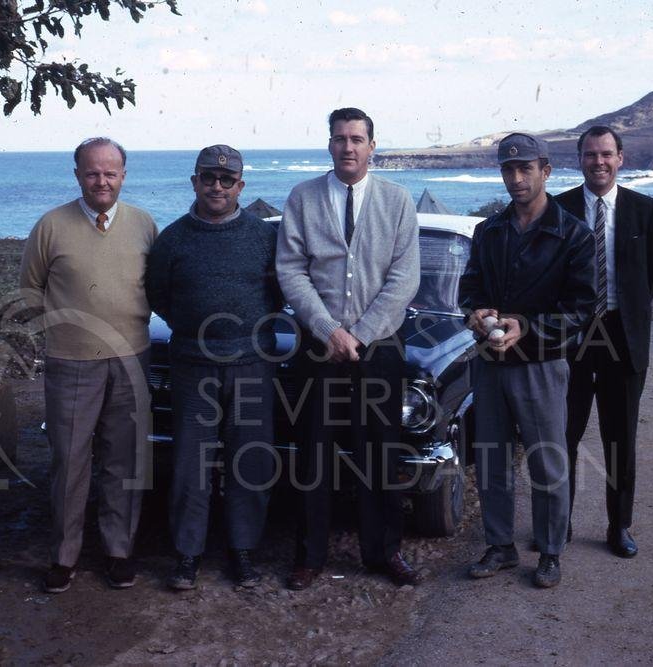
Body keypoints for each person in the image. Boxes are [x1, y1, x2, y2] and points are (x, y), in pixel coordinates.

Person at [276, 107, 421, 590]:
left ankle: (384, 553)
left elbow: (405, 278)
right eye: (339, 138)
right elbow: (291, 270)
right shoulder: (303, 197)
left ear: (372, 146)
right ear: (330, 144)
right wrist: (327, 329)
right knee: (312, 455)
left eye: (357, 139)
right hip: (319, 350)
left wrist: (359, 333)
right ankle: (309, 556)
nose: (348, 147)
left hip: (379, 349)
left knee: (380, 455)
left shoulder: (398, 201)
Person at [20, 137, 157, 593]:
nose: (102, 181)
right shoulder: (50, 226)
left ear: (123, 174)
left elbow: (154, 287)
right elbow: (30, 292)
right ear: (77, 174)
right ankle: (64, 557)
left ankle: (118, 550)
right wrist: (61, 334)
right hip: (70, 362)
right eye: (92, 172)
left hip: (132, 360)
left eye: (110, 172)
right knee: (69, 462)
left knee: (125, 460)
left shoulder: (143, 225)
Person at [457, 133, 595, 588]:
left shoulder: (573, 234)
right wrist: (476, 314)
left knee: (547, 462)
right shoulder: (488, 230)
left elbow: (582, 309)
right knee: (492, 459)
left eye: (525, 169)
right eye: (508, 170)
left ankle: (550, 551)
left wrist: (526, 327)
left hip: (541, 365)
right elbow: (470, 289)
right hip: (491, 365)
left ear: (546, 171)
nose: (516, 178)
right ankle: (500, 546)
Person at [146, 145, 283, 590]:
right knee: (190, 466)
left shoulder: (265, 237)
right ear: (194, 182)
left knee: (251, 465)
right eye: (209, 178)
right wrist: (194, 329)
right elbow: (158, 295)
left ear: (241, 186)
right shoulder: (172, 239)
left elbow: (279, 294)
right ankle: (187, 555)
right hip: (193, 368)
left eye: (227, 180)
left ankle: (243, 552)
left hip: (252, 365)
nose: (217, 186)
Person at [554, 126, 653, 558]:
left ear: (621, 158)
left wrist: (622, 314)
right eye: (589, 155)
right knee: (562, 435)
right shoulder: (559, 209)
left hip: (622, 336)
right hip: (572, 339)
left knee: (620, 440)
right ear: (579, 159)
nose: (598, 162)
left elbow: (652, 273)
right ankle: (557, 525)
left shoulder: (643, 210)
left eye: (606, 154)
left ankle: (619, 527)